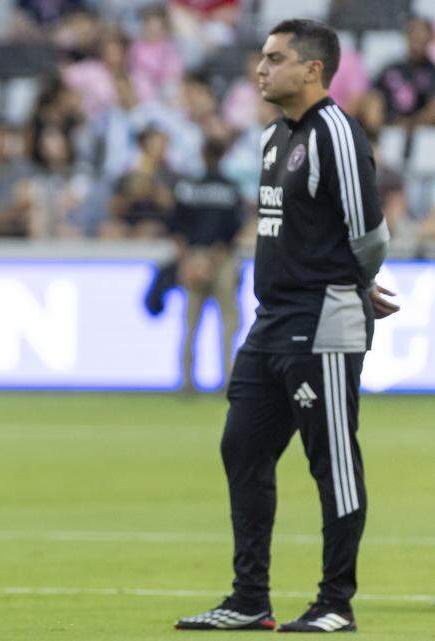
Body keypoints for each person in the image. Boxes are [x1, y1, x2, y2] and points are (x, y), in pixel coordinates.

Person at [176, 20, 398, 633]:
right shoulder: (276, 139)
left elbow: (371, 233)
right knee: (241, 450)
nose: (260, 70)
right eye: (261, 58)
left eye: (275, 59)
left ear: (312, 70)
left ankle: (335, 603)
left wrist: (352, 284)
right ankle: (250, 600)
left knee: (333, 464)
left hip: (323, 322)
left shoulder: (336, 135)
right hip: (270, 321)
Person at [171, 138, 243, 394]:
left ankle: (187, 381)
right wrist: (205, 260)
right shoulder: (230, 188)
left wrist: (189, 261)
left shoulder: (188, 187)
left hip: (200, 256)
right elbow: (234, 230)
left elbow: (177, 228)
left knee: (192, 322)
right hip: (218, 257)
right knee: (226, 323)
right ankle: (226, 380)